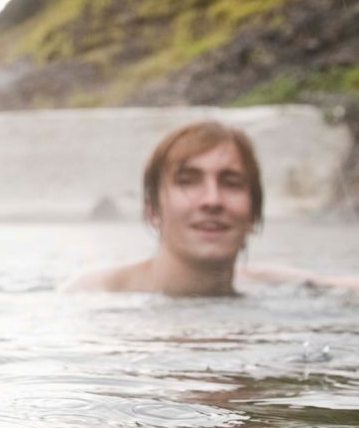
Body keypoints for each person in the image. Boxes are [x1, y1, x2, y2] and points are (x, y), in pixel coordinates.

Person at [63, 120, 358, 296]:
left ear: (254, 214)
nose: (212, 200)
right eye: (188, 181)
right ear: (152, 210)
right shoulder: (91, 294)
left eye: (231, 183)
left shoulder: (274, 284)